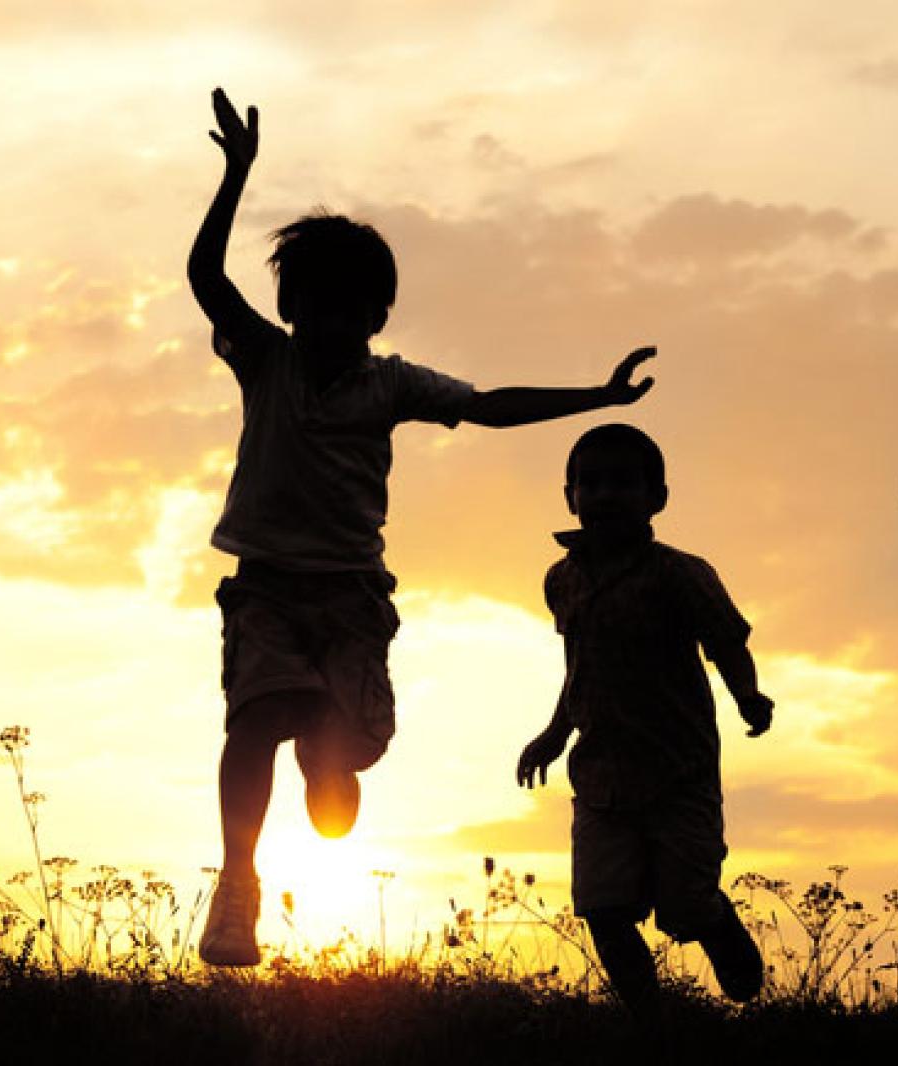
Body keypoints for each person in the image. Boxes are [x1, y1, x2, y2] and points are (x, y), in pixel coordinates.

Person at [188, 89, 659, 967]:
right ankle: (237, 883)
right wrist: (236, 177)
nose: (329, 326)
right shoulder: (268, 360)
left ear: (376, 318)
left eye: (348, 312)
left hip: (353, 601)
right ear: (291, 310)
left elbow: (488, 406)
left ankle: (329, 761)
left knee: (344, 759)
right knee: (253, 720)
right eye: (314, 308)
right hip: (265, 588)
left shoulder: (392, 385)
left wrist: (598, 395)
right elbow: (208, 282)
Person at [516, 423, 773, 1015]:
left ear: (657, 497)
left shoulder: (680, 575)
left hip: (677, 774)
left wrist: (748, 695)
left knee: (682, 906)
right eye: (592, 483)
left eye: (624, 483)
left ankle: (715, 922)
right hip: (601, 778)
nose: (605, 495)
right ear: (570, 497)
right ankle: (649, 1023)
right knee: (603, 908)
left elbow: (727, 641)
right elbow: (578, 664)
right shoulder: (564, 579)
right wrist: (555, 733)